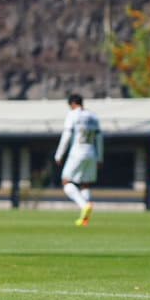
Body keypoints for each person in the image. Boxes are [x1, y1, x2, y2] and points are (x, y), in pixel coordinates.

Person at [54, 93, 103, 227]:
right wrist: (100, 157)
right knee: (85, 184)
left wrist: (59, 155)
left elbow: (67, 135)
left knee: (66, 181)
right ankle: (85, 219)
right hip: (92, 152)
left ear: (72, 104)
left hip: (77, 151)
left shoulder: (72, 115)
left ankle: (84, 205)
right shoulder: (94, 117)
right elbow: (99, 139)